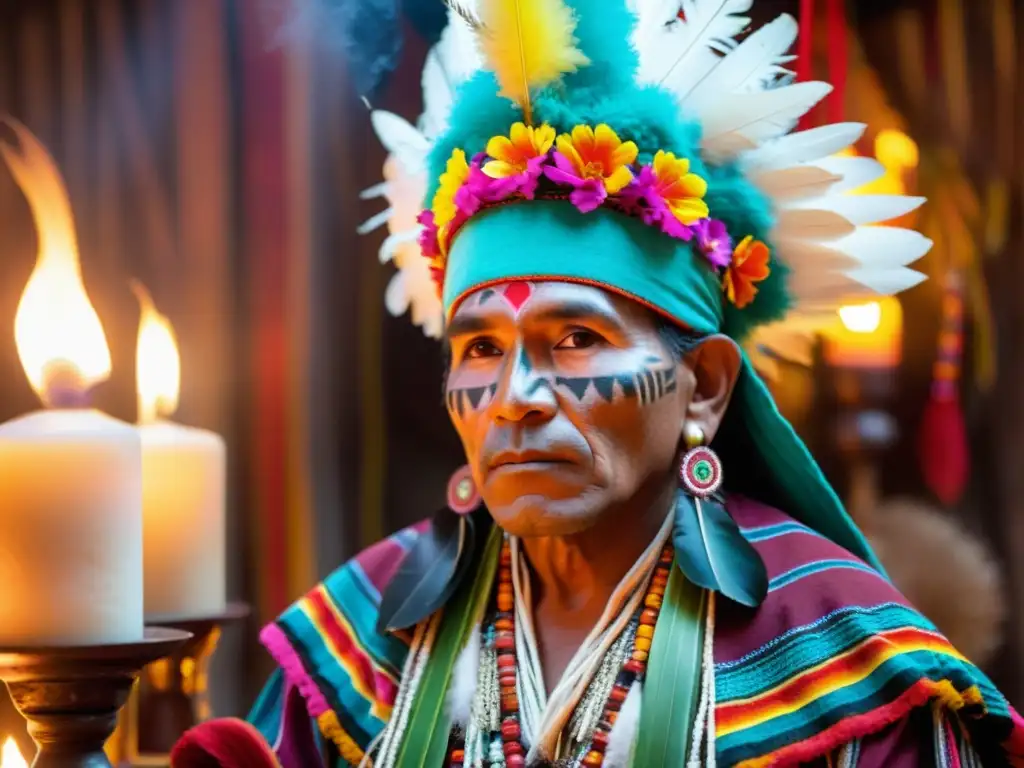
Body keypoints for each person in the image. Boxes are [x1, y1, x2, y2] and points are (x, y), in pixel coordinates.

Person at [175, 0, 1024, 765]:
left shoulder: (838, 655)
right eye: (478, 349)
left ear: (703, 386)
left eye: (576, 338)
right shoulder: (365, 633)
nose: (516, 396)